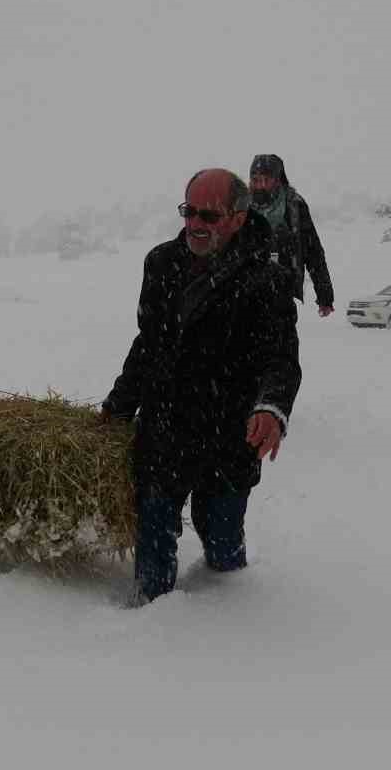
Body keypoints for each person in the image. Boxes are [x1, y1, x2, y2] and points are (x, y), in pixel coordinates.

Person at [99, 168, 302, 604]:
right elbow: (148, 344)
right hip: (166, 429)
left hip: (229, 437)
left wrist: (271, 407)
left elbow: (281, 358)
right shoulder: (161, 263)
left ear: (240, 218)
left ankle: (223, 618)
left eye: (209, 215)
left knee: (223, 545)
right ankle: (148, 623)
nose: (195, 224)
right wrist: (117, 408)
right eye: (189, 211)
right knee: (153, 529)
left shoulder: (268, 279)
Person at [248, 153, 335, 317]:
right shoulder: (241, 207)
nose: (261, 185)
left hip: (283, 291)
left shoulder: (294, 206)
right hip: (247, 291)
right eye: (256, 180)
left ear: (277, 180)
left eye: (266, 180)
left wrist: (325, 295)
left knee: (282, 339)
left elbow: (313, 251)